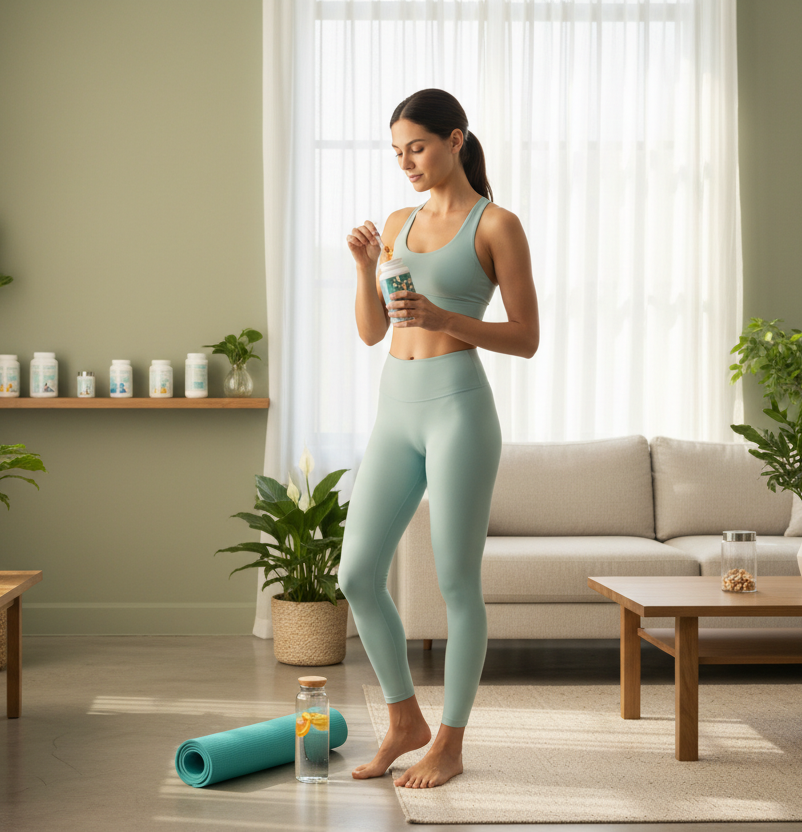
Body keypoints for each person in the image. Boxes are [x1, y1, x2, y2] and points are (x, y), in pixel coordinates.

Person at [340, 88, 539, 789]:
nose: (407, 163)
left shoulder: (497, 226)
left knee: (457, 581)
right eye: (397, 153)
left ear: (456, 140)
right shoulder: (397, 222)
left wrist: (446, 317)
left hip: (458, 408)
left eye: (417, 148)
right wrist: (365, 269)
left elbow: (527, 338)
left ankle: (449, 741)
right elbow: (373, 332)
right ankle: (405, 721)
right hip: (396, 406)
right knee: (356, 573)